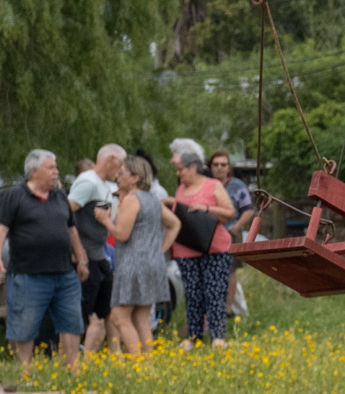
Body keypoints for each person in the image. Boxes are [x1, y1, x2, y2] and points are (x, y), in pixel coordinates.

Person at [0, 147, 87, 370]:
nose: (56, 171)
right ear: (34, 171)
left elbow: (71, 229)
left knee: (72, 323)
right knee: (24, 326)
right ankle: (26, 373)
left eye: (56, 167)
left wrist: (81, 259)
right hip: (28, 274)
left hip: (64, 274)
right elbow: (1, 230)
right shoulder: (14, 196)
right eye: (51, 167)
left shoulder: (61, 196)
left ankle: (73, 369)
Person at [168, 138, 239, 346]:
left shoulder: (213, 185)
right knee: (193, 294)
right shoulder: (180, 189)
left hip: (215, 248)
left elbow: (230, 213)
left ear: (192, 168)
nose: (178, 173)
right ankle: (194, 336)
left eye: (181, 169)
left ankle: (217, 337)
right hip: (186, 249)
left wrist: (206, 209)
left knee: (215, 292)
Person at [106, 153, 172, 353]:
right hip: (152, 263)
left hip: (133, 264)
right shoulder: (152, 199)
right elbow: (175, 224)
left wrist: (104, 220)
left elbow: (121, 234)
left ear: (135, 178)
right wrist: (159, 250)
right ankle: (147, 364)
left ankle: (138, 364)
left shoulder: (132, 200)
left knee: (119, 317)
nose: (117, 176)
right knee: (141, 318)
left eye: (122, 172)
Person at [70, 143, 125, 354]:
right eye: (119, 165)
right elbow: (67, 213)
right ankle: (75, 355)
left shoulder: (103, 185)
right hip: (86, 256)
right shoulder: (87, 181)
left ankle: (112, 353)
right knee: (86, 313)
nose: (120, 171)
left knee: (107, 310)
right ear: (111, 159)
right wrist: (76, 251)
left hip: (100, 253)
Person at [209, 148, 254, 322]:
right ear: (210, 167)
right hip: (210, 232)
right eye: (216, 165)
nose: (220, 168)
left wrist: (236, 227)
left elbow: (248, 210)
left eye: (223, 165)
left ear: (229, 167)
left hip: (230, 231)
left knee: (230, 271)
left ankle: (227, 309)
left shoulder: (237, 186)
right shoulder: (206, 184)